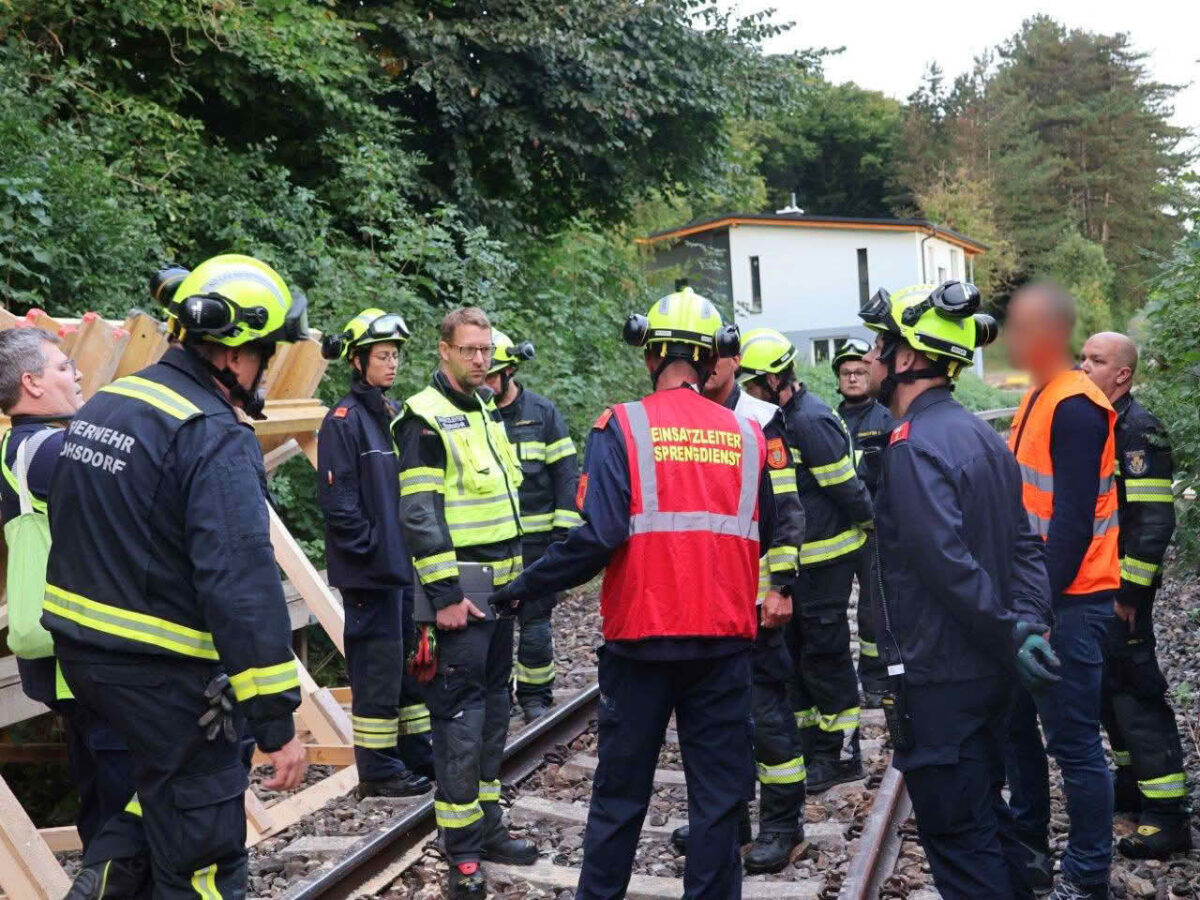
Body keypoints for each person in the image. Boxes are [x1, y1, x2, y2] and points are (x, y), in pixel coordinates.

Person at [491, 286, 776, 900]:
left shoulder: (622, 425)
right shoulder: (748, 437)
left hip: (641, 643)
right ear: (712, 359)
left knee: (620, 797)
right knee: (719, 802)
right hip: (724, 645)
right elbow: (768, 529)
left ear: (649, 355)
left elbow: (597, 536)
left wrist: (524, 587)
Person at [43, 255, 309, 900]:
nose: (268, 366)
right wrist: (276, 723)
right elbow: (240, 586)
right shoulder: (212, 433)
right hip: (162, 673)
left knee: (151, 797)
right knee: (203, 851)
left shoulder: (113, 401)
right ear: (238, 354)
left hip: (82, 658)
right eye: (267, 351)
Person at [858, 280, 1058, 900]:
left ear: (910, 358)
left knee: (959, 839)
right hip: (988, 673)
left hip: (940, 675)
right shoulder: (979, 436)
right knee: (986, 818)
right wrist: (1023, 627)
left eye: (881, 344)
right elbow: (1027, 545)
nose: (870, 356)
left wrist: (1008, 629)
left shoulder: (912, 447)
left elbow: (945, 565)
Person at [392, 307, 538, 900]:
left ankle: (488, 823)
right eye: (470, 349)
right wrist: (446, 595)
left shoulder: (483, 408)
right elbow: (419, 514)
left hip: (499, 590)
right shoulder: (424, 419)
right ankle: (464, 856)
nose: (482, 359)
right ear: (444, 351)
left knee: (493, 713)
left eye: (487, 350)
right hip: (462, 594)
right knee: (459, 721)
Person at [0, 328, 149, 898]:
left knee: (100, 792)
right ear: (31, 382)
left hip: (59, 650)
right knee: (121, 799)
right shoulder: (51, 449)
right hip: (83, 650)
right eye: (64, 367)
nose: (78, 374)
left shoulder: (20, 447)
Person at [1004, 282, 1120, 900]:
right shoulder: (1040, 395)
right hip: (1038, 595)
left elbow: (1073, 520)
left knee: (1073, 742)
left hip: (1069, 601)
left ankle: (1087, 873)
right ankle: (1026, 853)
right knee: (1018, 730)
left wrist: (1037, 610)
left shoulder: (1074, 403)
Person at [735, 328, 875, 792]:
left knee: (825, 656)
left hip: (826, 561)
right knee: (796, 657)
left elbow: (847, 488)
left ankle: (842, 753)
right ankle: (812, 743)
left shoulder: (809, 420)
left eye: (752, 384)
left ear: (777, 380)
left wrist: (876, 530)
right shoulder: (780, 417)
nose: (747, 393)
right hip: (800, 566)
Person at [1081, 331, 1190, 859]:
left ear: (1122, 374)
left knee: (1136, 695)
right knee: (1109, 689)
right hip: (1099, 589)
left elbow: (1152, 522)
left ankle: (1168, 816)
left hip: (1123, 593)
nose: (1084, 367)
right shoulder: (1104, 422)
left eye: (1096, 361)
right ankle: (1131, 788)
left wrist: (1128, 592)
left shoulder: (1139, 429)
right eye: (1082, 358)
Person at [317, 308, 433, 798]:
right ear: (358, 361)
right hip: (372, 573)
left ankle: (412, 753)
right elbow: (339, 504)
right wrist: (372, 553)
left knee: (404, 666)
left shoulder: (389, 415)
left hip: (398, 569)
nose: (392, 365)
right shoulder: (344, 422)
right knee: (376, 670)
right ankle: (379, 769)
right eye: (383, 356)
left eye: (395, 356)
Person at [485, 330, 580, 723]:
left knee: (536, 625)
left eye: (492, 376)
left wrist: (563, 537)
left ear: (509, 372)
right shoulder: (475, 416)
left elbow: (567, 477)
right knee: (492, 627)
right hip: (493, 543)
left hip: (539, 546)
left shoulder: (542, 415)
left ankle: (535, 697)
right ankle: (497, 696)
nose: (485, 384)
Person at [831, 338, 896, 706]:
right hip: (840, 528)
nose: (853, 378)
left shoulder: (885, 418)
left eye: (860, 371)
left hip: (875, 529)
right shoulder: (829, 419)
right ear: (838, 379)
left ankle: (875, 680)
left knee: (873, 610)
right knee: (835, 609)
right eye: (846, 372)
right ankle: (843, 681)